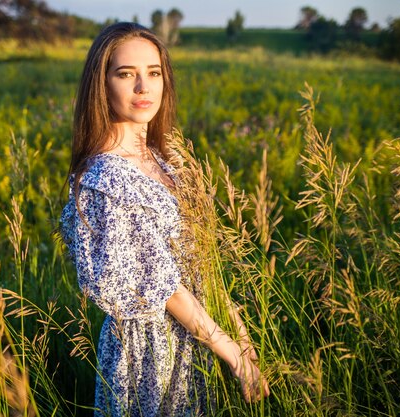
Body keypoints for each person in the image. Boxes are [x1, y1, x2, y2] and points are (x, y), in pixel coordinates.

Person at [60, 22, 270, 416]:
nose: (144, 87)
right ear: (101, 84)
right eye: (126, 74)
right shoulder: (104, 179)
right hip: (151, 351)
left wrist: (241, 337)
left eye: (153, 73)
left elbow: (199, 264)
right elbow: (164, 286)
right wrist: (231, 352)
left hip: (200, 334)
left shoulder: (162, 161)